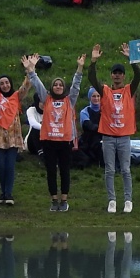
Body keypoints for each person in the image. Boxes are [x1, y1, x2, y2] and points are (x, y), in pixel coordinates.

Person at [27, 54, 86, 211]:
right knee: (51, 171)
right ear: (52, 88)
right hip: (49, 141)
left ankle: (64, 200)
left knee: (65, 171)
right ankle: (54, 200)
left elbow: (76, 86)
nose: (58, 86)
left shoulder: (69, 100)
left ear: (63, 88)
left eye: (60, 85)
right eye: (56, 85)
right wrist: (31, 70)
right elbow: (37, 84)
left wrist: (80, 68)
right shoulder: (47, 100)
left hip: (65, 141)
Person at [88, 43, 140, 214]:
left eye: (120, 73)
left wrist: (131, 59)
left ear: (123, 76)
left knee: (126, 170)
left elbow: (139, 74)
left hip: (125, 137)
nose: (117, 76)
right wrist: (93, 62)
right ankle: (112, 200)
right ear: (111, 75)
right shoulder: (104, 91)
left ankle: (128, 200)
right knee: (109, 170)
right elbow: (92, 79)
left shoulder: (128, 90)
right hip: (109, 137)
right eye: (115, 73)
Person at [0, 56, 30, 206]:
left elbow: (27, 85)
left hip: (13, 138)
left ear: (11, 84)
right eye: (2, 83)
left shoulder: (16, 96)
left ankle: (9, 193)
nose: (5, 85)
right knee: (1, 166)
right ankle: (2, 192)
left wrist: (29, 69)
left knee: (10, 166)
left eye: (7, 83)